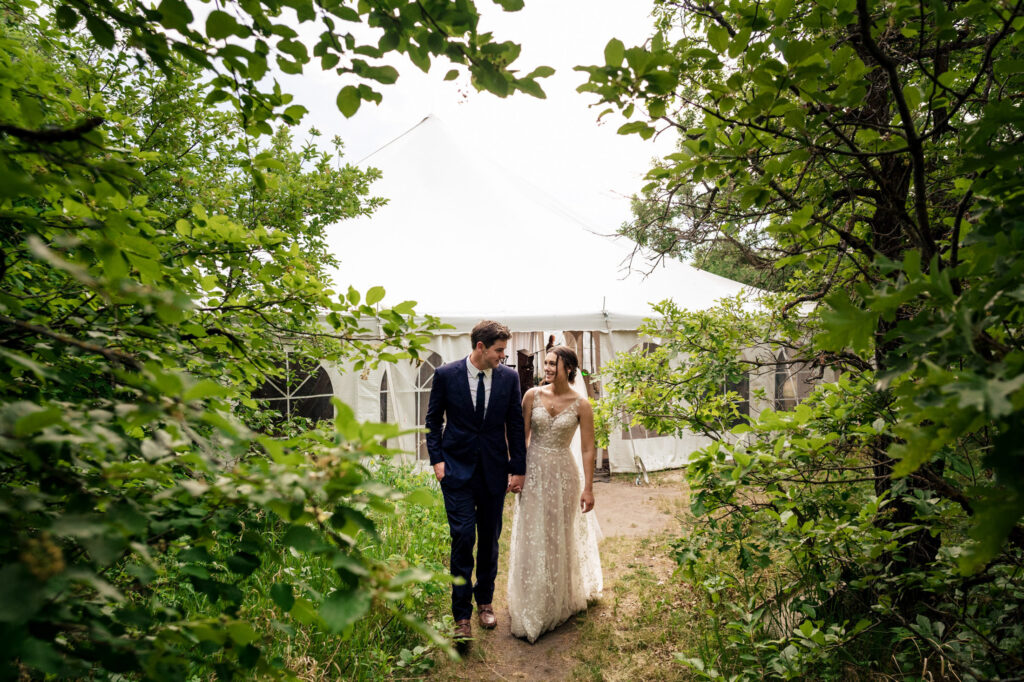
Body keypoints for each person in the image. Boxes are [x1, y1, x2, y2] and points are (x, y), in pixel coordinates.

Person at [425, 320, 527, 645]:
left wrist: (518, 468)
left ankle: (485, 601)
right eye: (499, 350)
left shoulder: (509, 378)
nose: (503, 356)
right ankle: (461, 615)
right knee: (462, 536)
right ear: (480, 348)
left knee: (489, 539)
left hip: (494, 472)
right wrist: (437, 461)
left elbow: (514, 424)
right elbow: (432, 421)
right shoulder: (445, 375)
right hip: (455, 471)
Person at [507, 345, 603, 643]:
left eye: (553, 364)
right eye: (546, 363)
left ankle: (558, 597)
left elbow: (588, 448)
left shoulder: (582, 404)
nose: (547, 368)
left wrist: (588, 487)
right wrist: (516, 472)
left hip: (564, 474)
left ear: (569, 368)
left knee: (558, 533)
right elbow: (519, 438)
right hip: (533, 471)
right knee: (532, 532)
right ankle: (530, 600)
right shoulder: (531, 396)